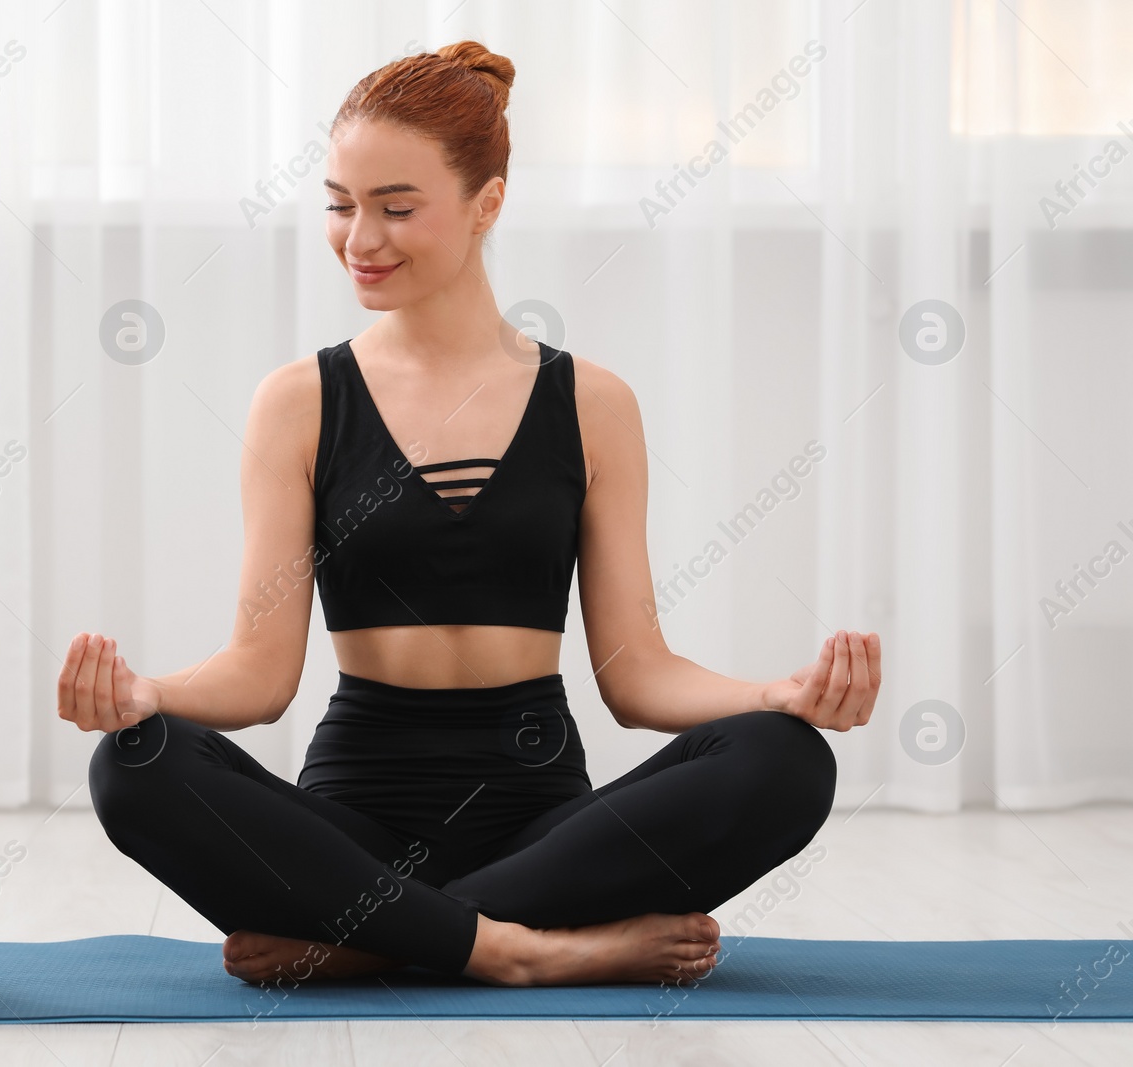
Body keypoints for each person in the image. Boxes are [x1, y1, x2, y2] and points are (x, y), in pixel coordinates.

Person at [59, 40, 881, 988]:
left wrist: (775, 696)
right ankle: (527, 949)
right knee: (135, 764)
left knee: (783, 758)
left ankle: (374, 939)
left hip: (546, 829)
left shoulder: (592, 403)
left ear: (487, 203)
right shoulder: (299, 402)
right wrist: (143, 697)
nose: (359, 239)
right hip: (352, 826)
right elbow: (258, 676)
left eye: (396, 208)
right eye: (339, 205)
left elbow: (638, 676)